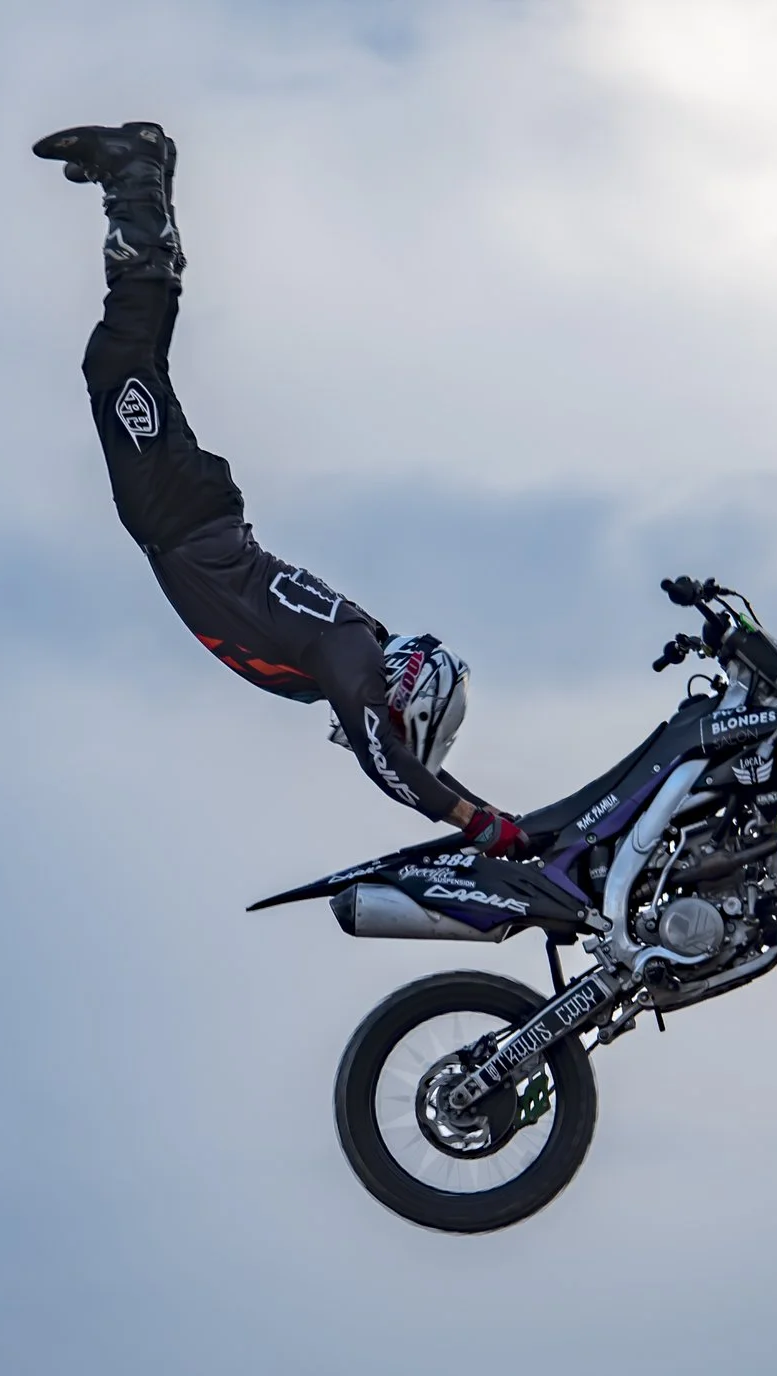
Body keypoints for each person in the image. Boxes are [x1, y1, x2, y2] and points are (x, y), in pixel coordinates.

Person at [33, 120, 529, 856]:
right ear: (412, 697)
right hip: (181, 514)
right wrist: (484, 825)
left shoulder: (348, 650)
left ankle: (140, 183)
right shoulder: (351, 651)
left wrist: (500, 820)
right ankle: (136, 175)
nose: (373, 730)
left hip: (181, 520)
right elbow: (384, 759)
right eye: (397, 725)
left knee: (128, 361)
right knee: (120, 360)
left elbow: (381, 751)